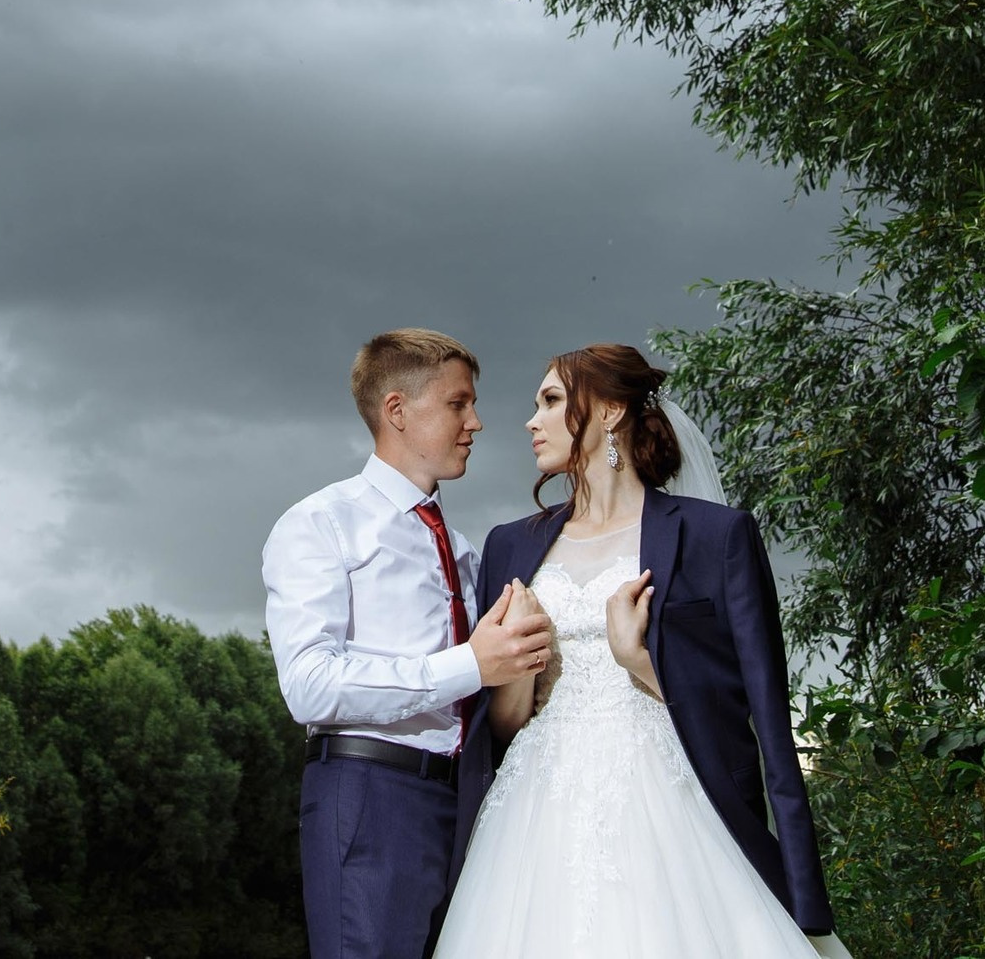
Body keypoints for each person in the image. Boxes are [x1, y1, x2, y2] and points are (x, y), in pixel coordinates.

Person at [437, 344, 847, 959]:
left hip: (672, 808)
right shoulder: (507, 547)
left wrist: (639, 660)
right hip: (531, 822)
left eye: (550, 401)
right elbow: (503, 724)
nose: (531, 421)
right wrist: (522, 661)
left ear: (608, 411)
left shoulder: (716, 535)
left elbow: (758, 713)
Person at [263, 329, 556, 959]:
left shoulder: (469, 548)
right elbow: (310, 685)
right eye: (459, 404)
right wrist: (469, 665)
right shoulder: (320, 523)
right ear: (397, 410)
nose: (476, 422)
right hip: (371, 797)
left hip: (472, 802)